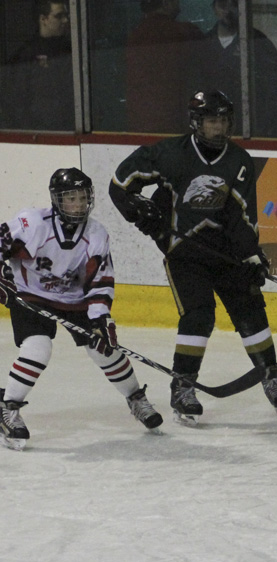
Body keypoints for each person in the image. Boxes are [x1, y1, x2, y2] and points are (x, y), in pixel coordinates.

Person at [108, 90, 277, 425]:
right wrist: (141, 212)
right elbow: (120, 183)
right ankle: (183, 385)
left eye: (222, 120)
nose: (218, 127)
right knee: (198, 315)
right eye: (211, 121)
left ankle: (270, 375)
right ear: (196, 122)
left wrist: (250, 254)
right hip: (184, 253)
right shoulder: (168, 154)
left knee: (250, 306)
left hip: (226, 252)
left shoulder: (239, 161)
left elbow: (243, 215)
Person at [0, 168, 164, 451]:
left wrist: (100, 318)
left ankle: (136, 398)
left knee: (104, 349)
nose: (77, 205)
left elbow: (100, 282)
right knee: (38, 348)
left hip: (75, 299)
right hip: (31, 296)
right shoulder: (32, 223)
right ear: (57, 200)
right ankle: (7, 409)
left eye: (82, 198)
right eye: (70, 199)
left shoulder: (96, 234)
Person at [198, 0, 277, 136]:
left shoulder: (256, 41)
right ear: (214, 9)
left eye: (233, 5)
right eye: (223, 5)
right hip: (213, 128)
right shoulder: (203, 45)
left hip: (250, 128)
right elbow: (194, 85)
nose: (228, 10)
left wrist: (265, 121)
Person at [124, 0, 205, 134]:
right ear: (166, 3)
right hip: (176, 121)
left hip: (140, 121)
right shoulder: (184, 32)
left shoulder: (134, 36)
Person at [0, 1, 73, 131]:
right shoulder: (26, 55)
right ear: (43, 19)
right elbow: (15, 100)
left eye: (66, 15)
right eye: (59, 16)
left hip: (67, 127)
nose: (65, 20)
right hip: (37, 131)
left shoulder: (72, 50)